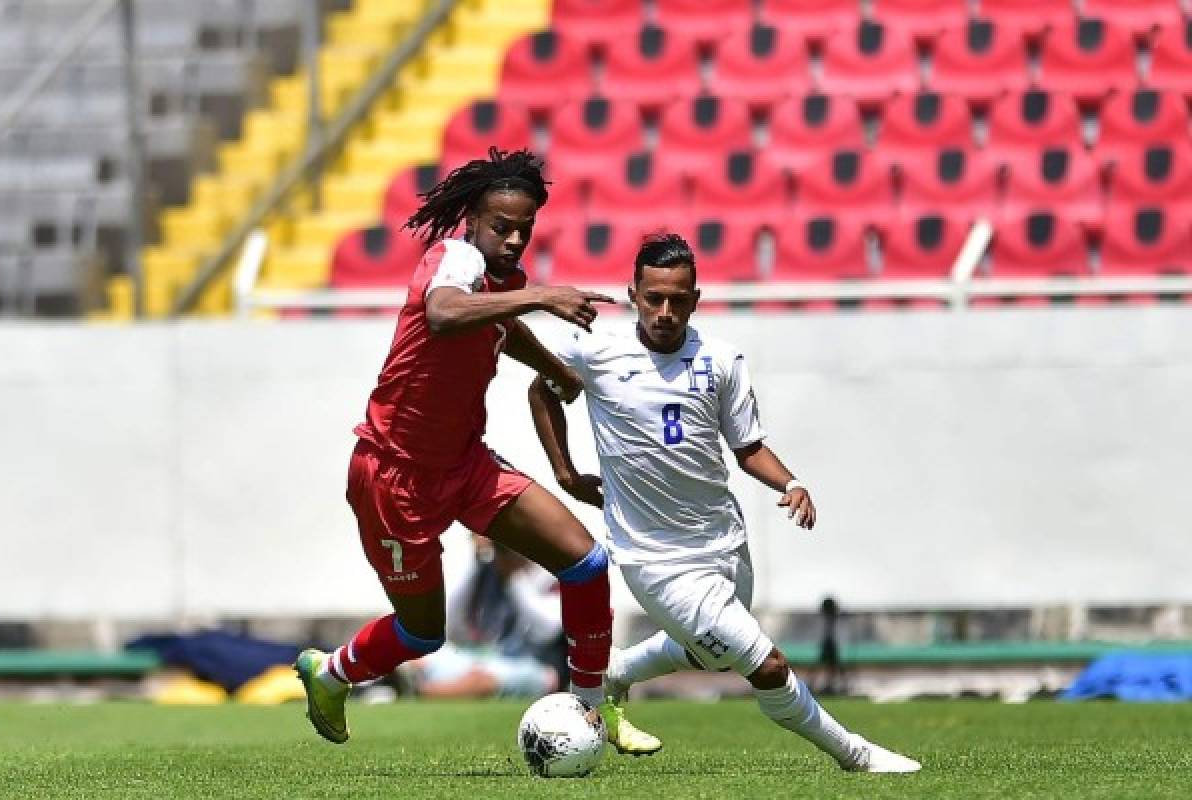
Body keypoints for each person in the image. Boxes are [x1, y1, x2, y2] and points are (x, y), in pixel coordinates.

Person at [294, 148, 659, 756]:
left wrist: (553, 368)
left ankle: (597, 709)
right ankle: (331, 673)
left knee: (586, 564)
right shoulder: (454, 259)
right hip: (394, 476)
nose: (514, 240)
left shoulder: (499, 281)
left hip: (465, 464)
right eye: (502, 227)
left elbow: (498, 326)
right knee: (422, 633)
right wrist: (541, 295)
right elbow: (445, 313)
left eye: (525, 229)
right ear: (472, 219)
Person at [528, 233, 921, 773]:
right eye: (653, 298)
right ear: (633, 294)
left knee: (706, 651)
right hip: (656, 560)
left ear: (696, 298)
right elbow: (543, 388)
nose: (665, 312)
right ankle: (856, 755)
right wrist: (566, 473)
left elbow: (748, 447)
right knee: (764, 664)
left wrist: (790, 484)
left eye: (678, 299)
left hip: (723, 540)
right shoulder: (594, 351)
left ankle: (617, 672)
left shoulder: (720, 360)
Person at [399, 534, 566, 699]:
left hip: (538, 667)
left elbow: (549, 630)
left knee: (481, 680)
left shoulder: (549, 574)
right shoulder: (486, 573)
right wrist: (476, 562)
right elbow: (454, 630)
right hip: (487, 657)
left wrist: (514, 578)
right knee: (418, 659)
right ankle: (405, 686)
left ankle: (417, 692)